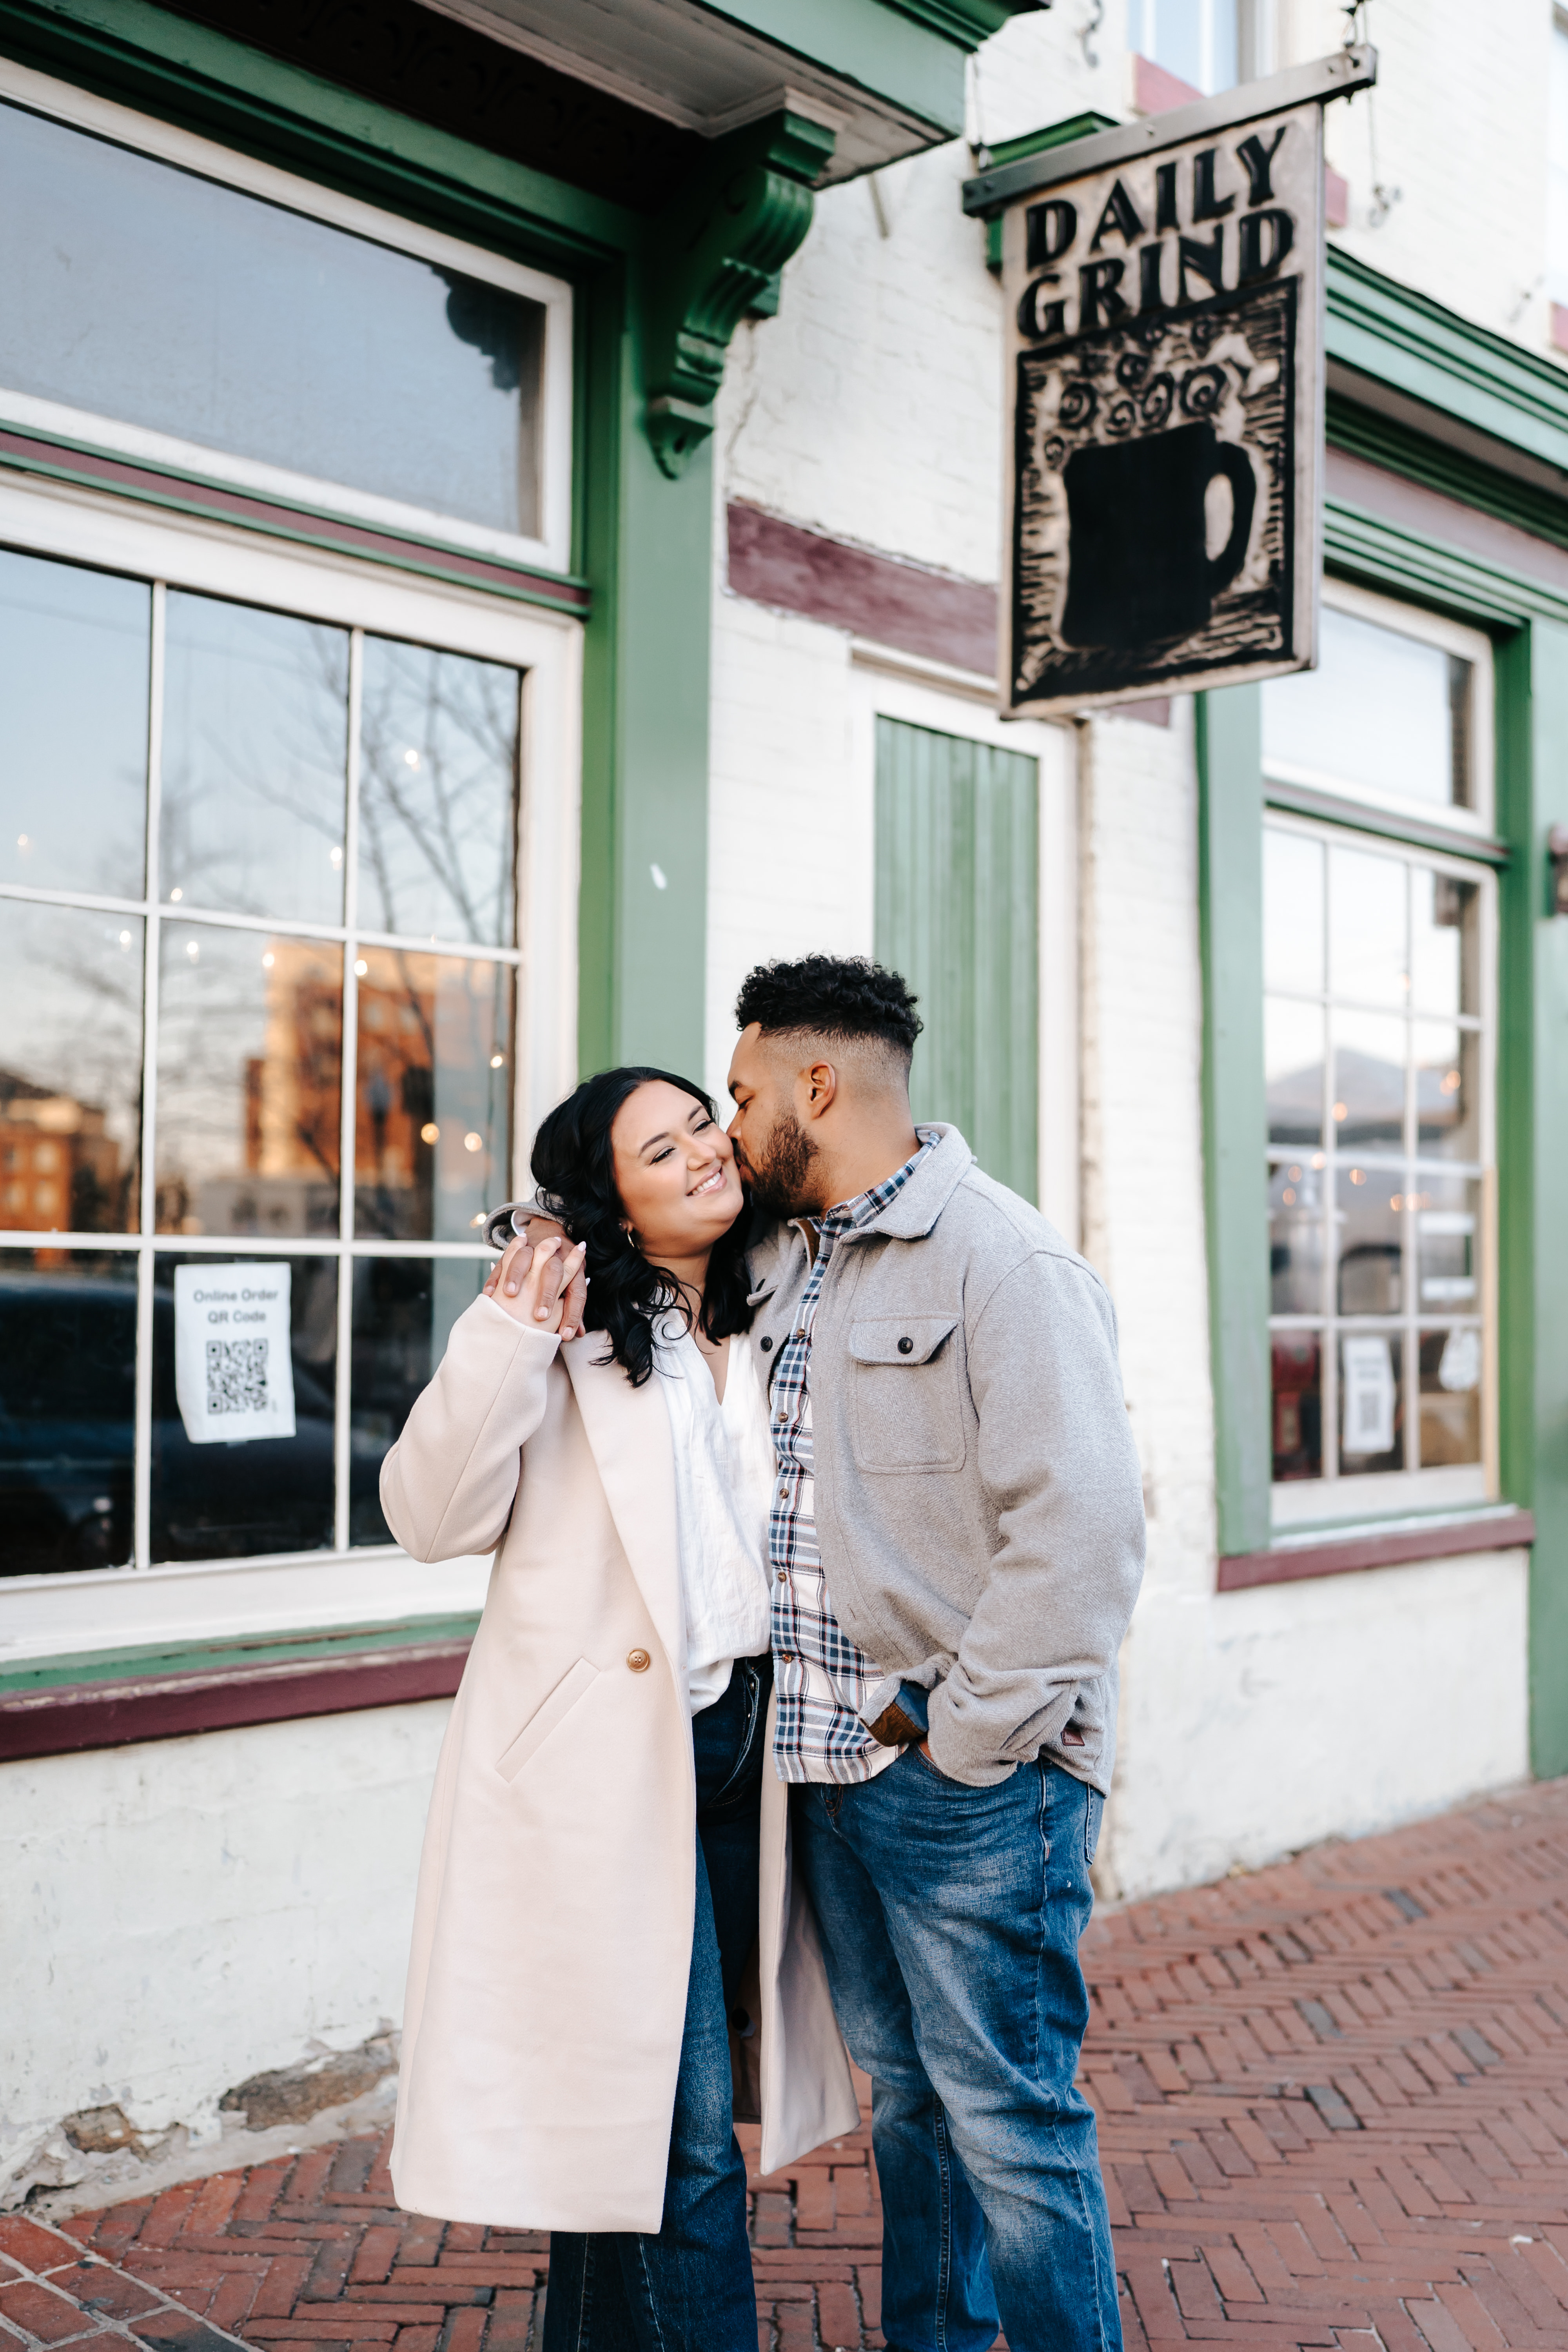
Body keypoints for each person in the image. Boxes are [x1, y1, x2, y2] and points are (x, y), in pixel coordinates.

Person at [379, 1067, 858, 2352]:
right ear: (616, 1205)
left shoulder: (780, 1307)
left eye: (706, 1121)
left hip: (755, 1753)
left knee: (624, 2119)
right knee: (682, 2140)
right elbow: (429, 1518)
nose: (707, 1150)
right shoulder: (565, 1331)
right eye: (666, 1146)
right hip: (606, 1770)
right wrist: (507, 1334)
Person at [722, 953, 1147, 2352]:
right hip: (828, 1773)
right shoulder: (787, 1257)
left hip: (968, 1782)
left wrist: (962, 1741)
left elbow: (1083, 1536)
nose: (731, 1126)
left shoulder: (1005, 1262)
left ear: (818, 1085)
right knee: (909, 2109)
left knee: (1015, 2127)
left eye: (742, 1094)